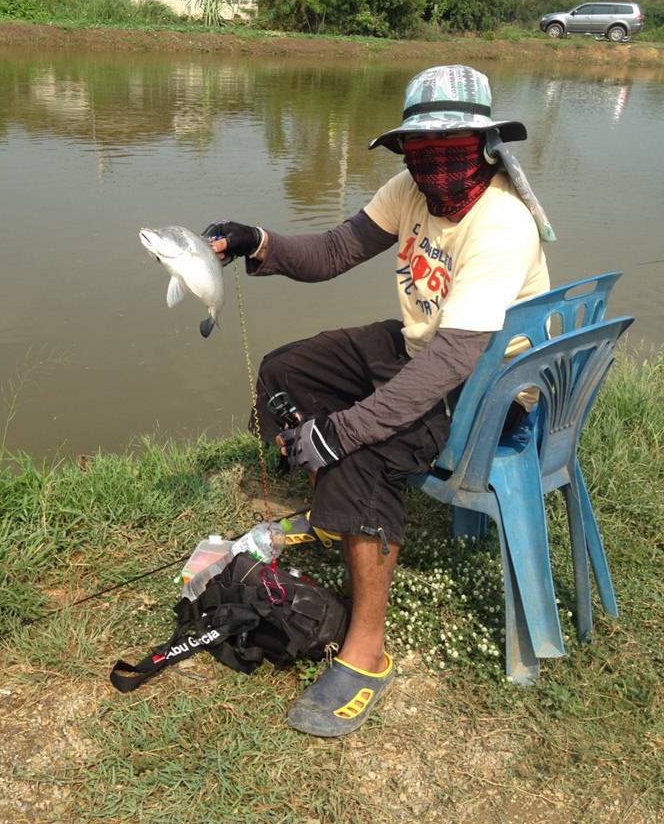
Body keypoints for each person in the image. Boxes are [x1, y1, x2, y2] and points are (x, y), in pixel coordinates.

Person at [204, 64, 550, 738]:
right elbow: (335, 250)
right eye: (420, 151)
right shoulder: (409, 189)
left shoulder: (503, 224)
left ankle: (365, 652)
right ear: (406, 152)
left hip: (490, 389)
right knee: (287, 369)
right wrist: (260, 243)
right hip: (429, 349)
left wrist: (344, 433)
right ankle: (336, 514)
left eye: (450, 149)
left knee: (361, 449)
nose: (433, 165)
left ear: (484, 146)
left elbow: (456, 361)